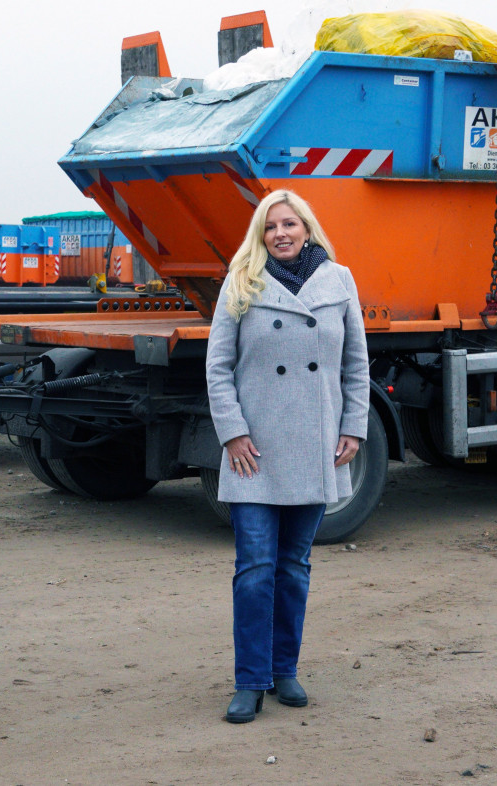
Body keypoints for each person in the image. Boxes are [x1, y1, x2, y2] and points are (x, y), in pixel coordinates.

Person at [205, 189, 369, 724]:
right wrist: (231, 434)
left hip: (316, 444)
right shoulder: (241, 282)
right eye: (271, 225)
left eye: (290, 223)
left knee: (294, 568)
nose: (281, 233)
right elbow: (217, 367)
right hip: (254, 451)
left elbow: (356, 366)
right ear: (260, 233)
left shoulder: (339, 280)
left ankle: (284, 670)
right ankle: (249, 680)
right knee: (255, 568)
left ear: (307, 229)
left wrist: (354, 428)